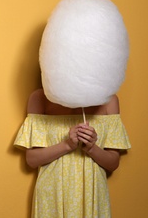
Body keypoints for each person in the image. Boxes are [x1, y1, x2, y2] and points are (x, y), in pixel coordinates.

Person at [14, 88, 131, 217]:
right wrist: (67, 145)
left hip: (91, 194)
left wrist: (91, 148)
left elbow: (113, 163)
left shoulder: (109, 100)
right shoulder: (39, 98)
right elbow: (32, 160)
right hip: (53, 194)